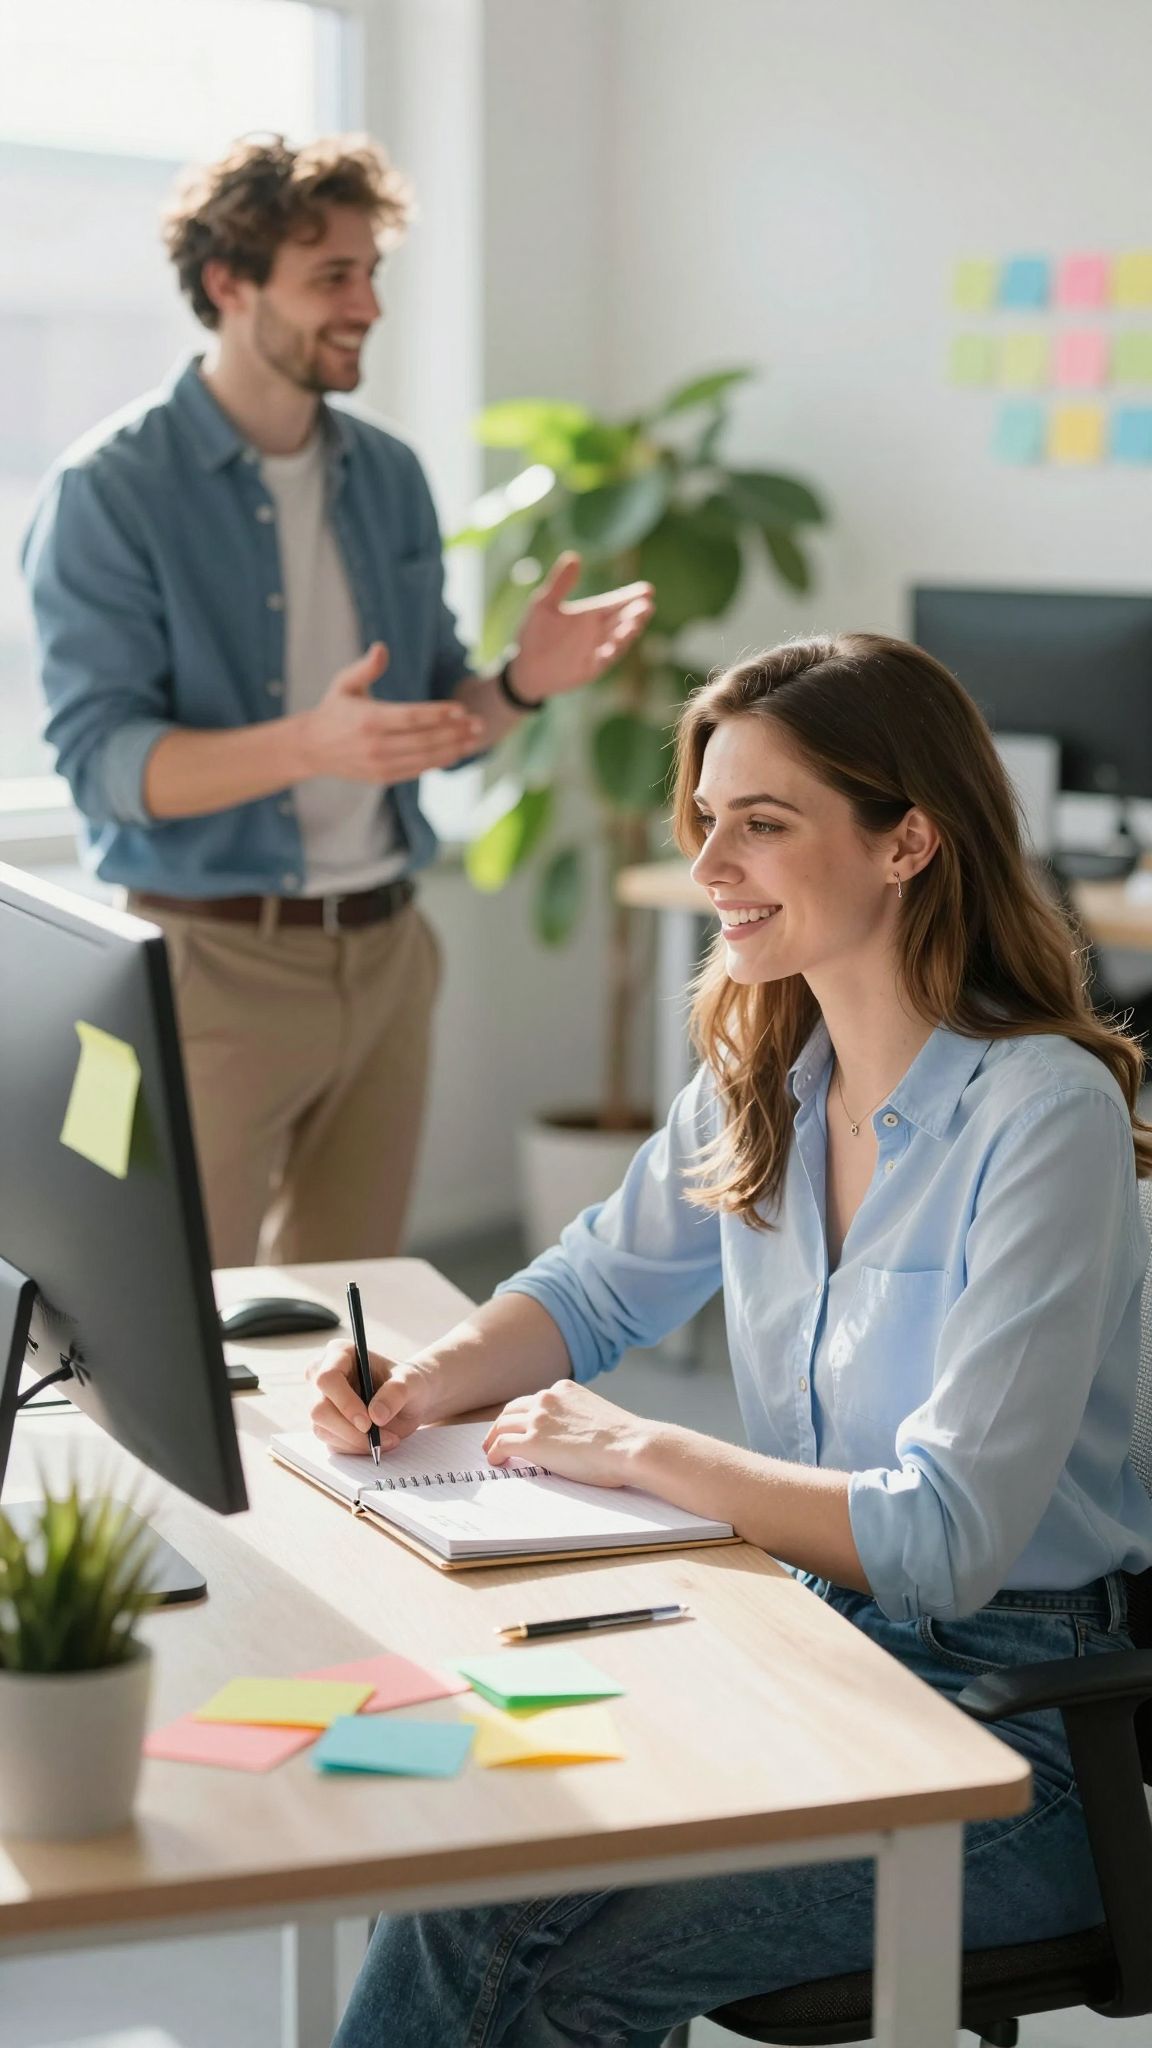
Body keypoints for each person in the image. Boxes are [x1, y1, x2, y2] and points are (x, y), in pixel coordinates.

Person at [307, 631, 1152, 2048]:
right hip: (809, 1653)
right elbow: (592, 1290)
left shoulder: (1040, 1116)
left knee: (563, 1971)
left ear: (908, 842)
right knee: (474, 1863)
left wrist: (641, 1449)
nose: (710, 870)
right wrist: (421, 1382)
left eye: (762, 825)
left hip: (1017, 1731)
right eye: (708, 821)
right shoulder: (766, 1074)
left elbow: (944, 1541)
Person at [21, 134, 651, 1266]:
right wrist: (309, 743)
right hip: (207, 970)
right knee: (174, 1322)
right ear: (229, 284)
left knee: (346, 1317)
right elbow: (108, 765)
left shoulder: (390, 476)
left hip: (386, 957)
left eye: (372, 273)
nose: (367, 304)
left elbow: (429, 734)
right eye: (332, 278)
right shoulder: (108, 492)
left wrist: (518, 684)